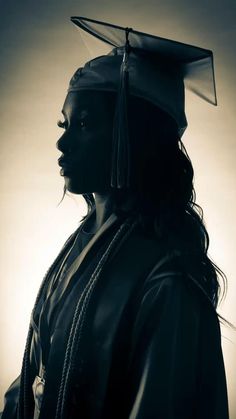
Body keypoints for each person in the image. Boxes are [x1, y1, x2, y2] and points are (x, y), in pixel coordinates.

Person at [2, 17, 229, 419]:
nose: (62, 140)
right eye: (64, 123)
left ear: (133, 135)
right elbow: (34, 379)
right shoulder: (79, 248)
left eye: (85, 124)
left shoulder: (168, 275)